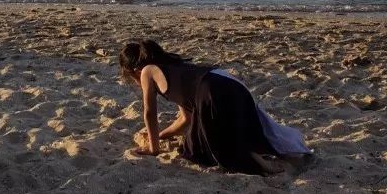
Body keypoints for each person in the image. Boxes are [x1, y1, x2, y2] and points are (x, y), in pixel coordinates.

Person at [119, 38, 311, 175]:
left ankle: (255, 161)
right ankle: (255, 152)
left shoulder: (147, 71)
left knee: (197, 152)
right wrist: (161, 135)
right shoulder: (175, 68)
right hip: (227, 81)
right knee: (205, 137)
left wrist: (154, 148)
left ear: (134, 71)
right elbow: (186, 118)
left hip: (211, 91)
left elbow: (149, 112)